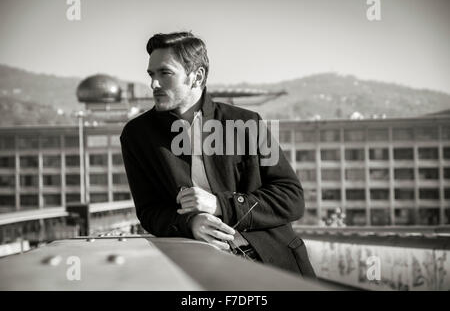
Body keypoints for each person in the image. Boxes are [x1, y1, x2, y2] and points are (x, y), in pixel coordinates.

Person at [120, 31, 316, 278]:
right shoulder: (137, 135)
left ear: (197, 76)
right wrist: (190, 223)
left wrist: (220, 205)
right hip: (201, 270)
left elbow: (292, 198)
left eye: (165, 73)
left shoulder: (247, 123)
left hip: (274, 265)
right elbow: (149, 212)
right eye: (152, 74)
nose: (154, 84)